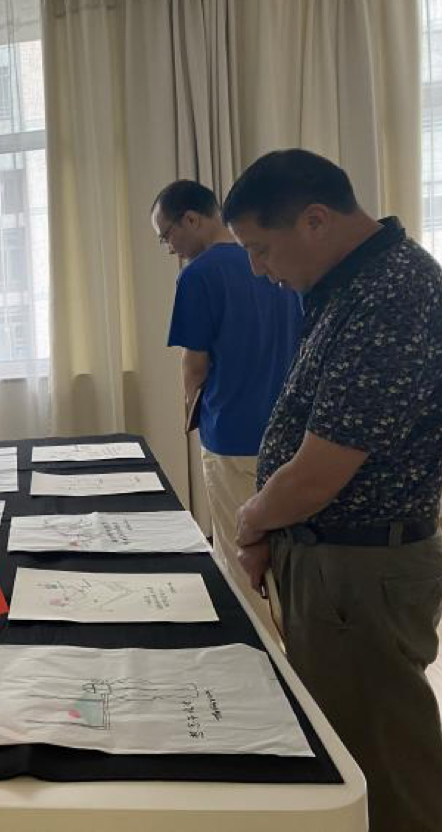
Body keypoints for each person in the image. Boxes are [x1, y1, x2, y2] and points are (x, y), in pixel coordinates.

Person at [224, 149, 442, 832]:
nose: (258, 269)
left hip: (360, 569)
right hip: (335, 561)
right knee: (347, 746)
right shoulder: (353, 285)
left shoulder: (394, 295)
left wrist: (251, 521)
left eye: (261, 248)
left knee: (379, 768)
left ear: (314, 220)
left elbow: (321, 472)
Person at [151, 180, 302, 636]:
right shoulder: (278, 259)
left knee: (242, 558)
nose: (169, 248)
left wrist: (188, 408)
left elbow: (195, 363)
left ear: (191, 219)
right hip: (293, 436)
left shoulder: (198, 275)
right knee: (289, 554)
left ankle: (262, 655)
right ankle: (298, 646)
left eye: (167, 235)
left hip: (233, 433)